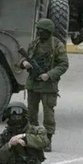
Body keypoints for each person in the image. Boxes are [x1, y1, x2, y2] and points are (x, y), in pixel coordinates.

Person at [20, 18, 69, 152]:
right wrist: (24, 63)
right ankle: (33, 139)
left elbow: (64, 64)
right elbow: (26, 57)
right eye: (39, 30)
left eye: (42, 31)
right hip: (33, 84)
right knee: (31, 114)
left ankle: (47, 141)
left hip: (48, 86)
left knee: (48, 116)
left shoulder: (57, 45)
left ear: (49, 31)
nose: (40, 33)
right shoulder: (34, 44)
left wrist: (49, 75)